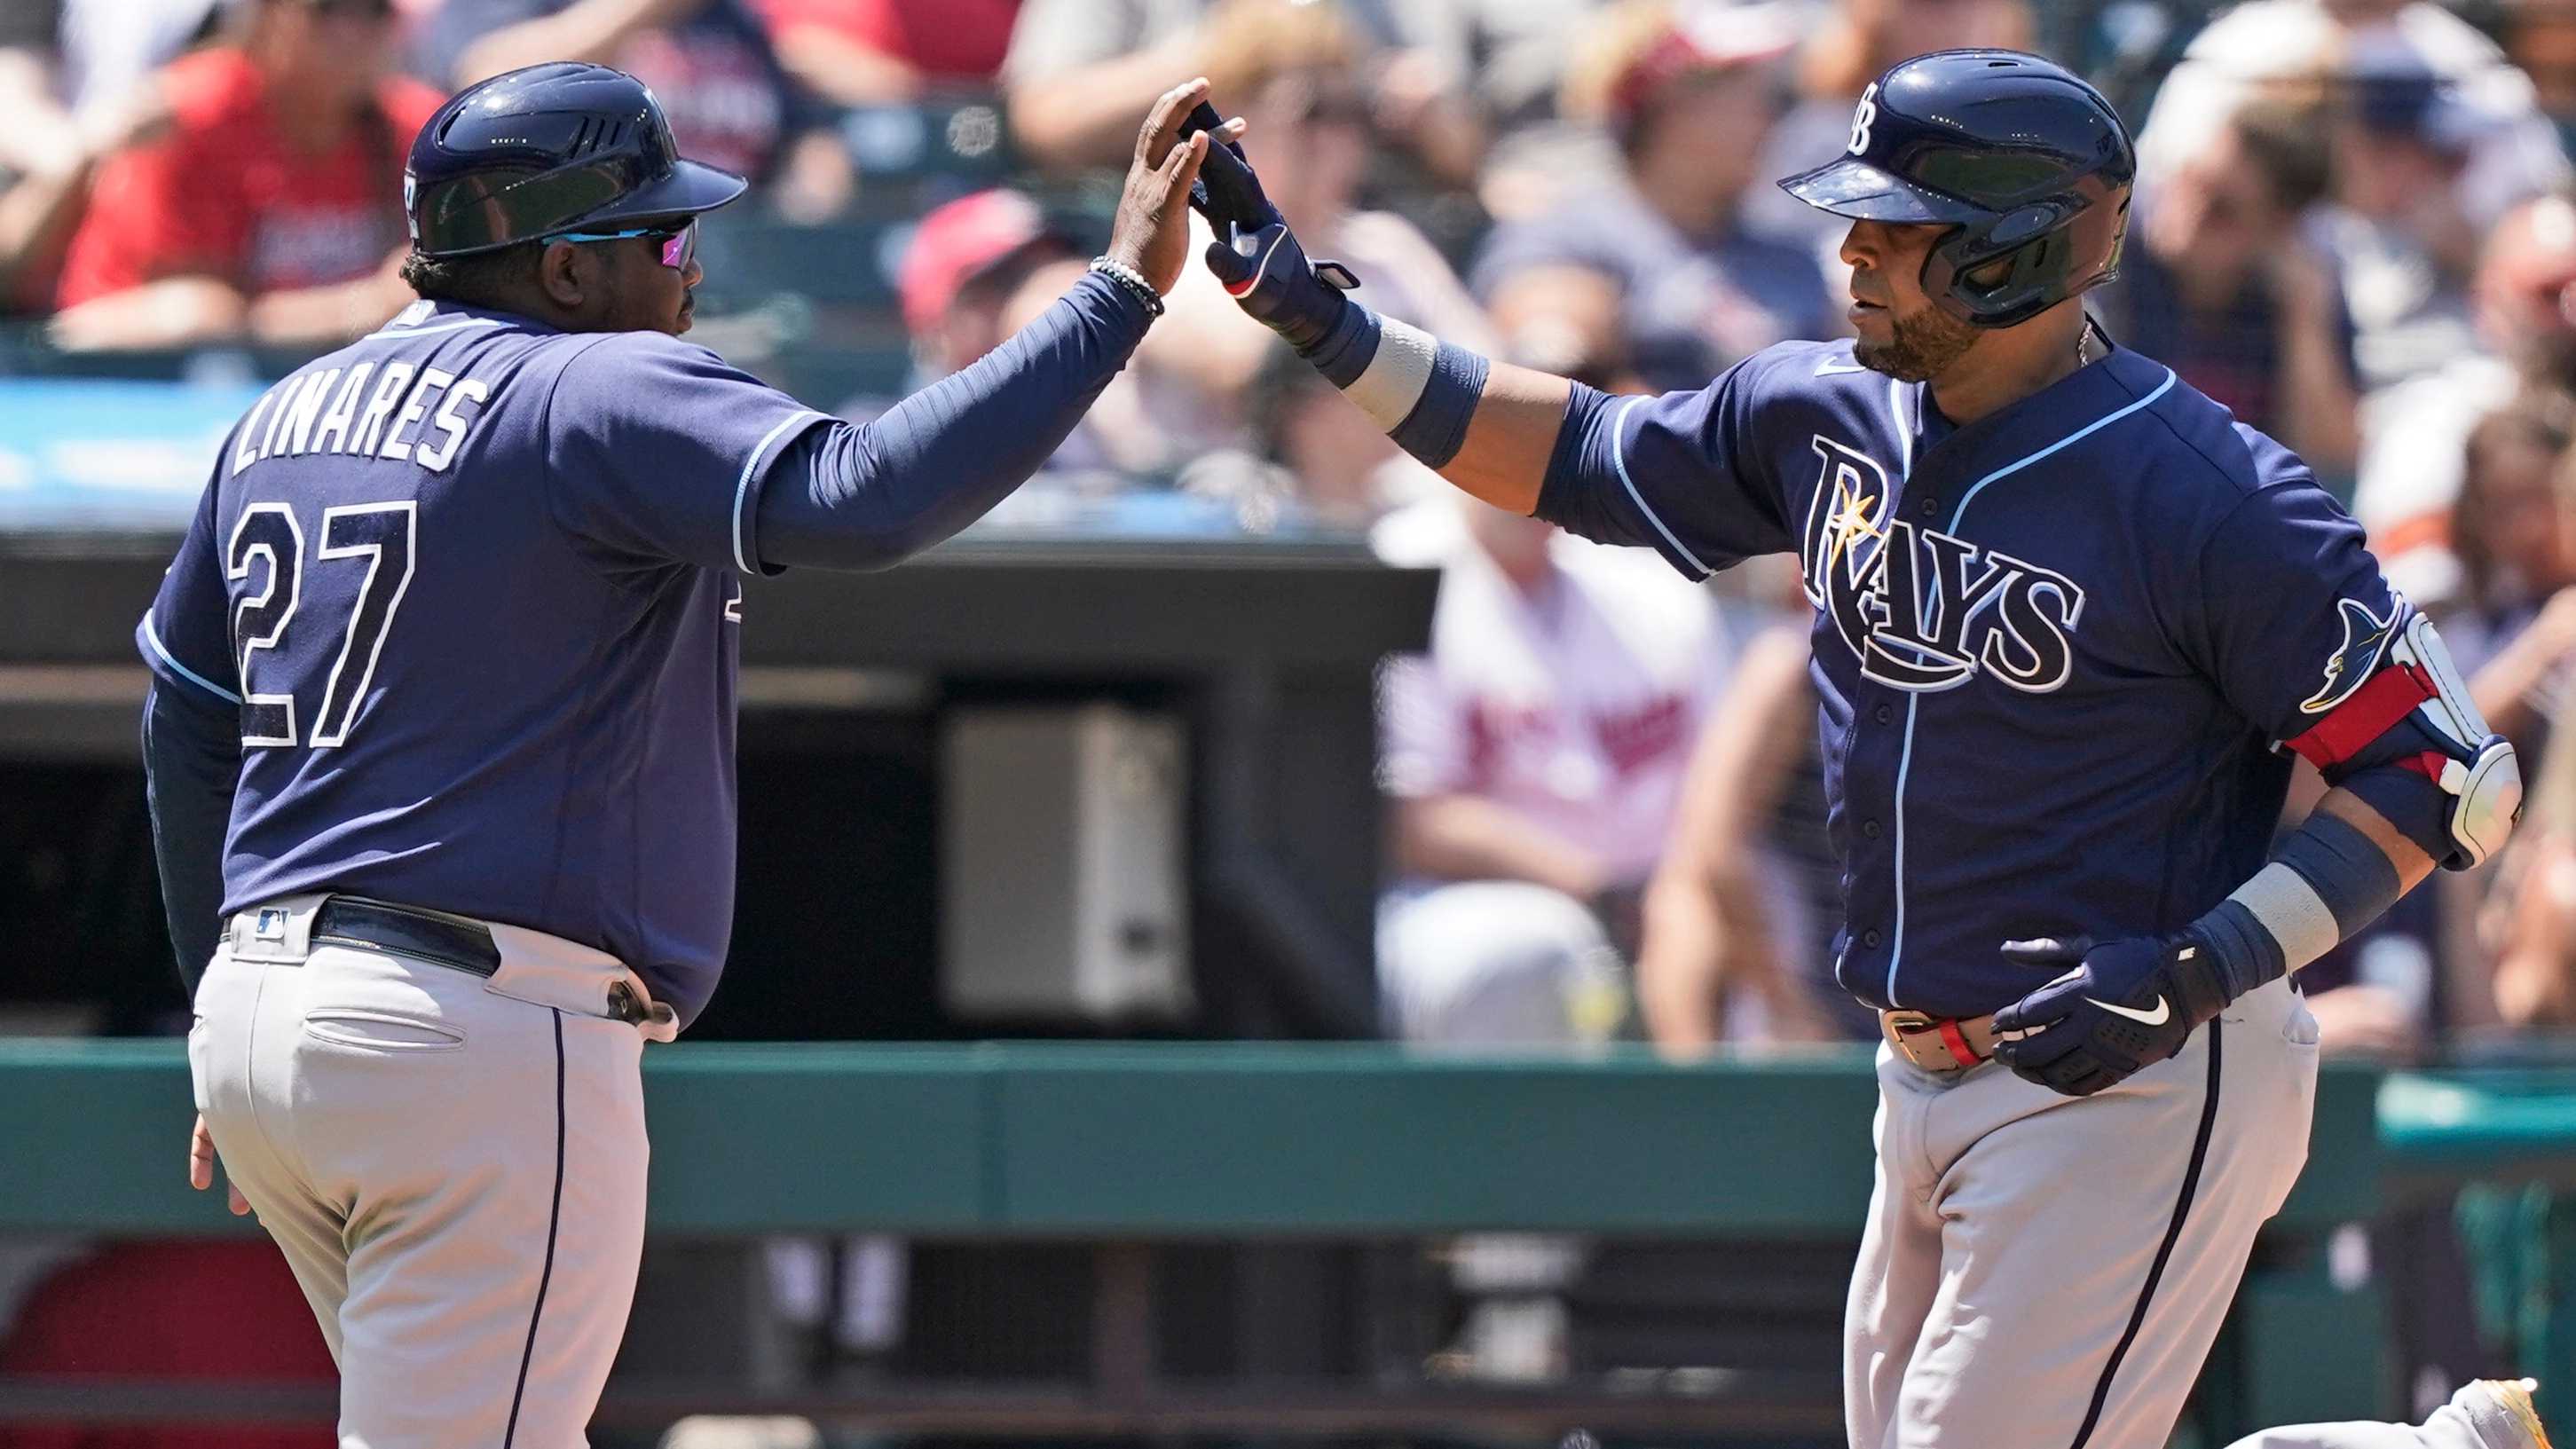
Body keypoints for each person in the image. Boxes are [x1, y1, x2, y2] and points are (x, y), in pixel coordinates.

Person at [1200, 47, 2541, 1449]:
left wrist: (2206, 962)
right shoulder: (1824, 408)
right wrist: (1321, 322)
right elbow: (1579, 457)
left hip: (2141, 1067)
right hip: (1920, 1068)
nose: (1846, 253)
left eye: (1891, 231)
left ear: (2010, 251)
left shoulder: (2209, 493)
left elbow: (2446, 773)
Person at [149, 61, 1221, 1443]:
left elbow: (186, 706)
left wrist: (207, 998)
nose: (692, 268)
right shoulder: (592, 385)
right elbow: (864, 496)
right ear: (565, 273)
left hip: (264, 1020)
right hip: (471, 1030)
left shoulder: (283, 415)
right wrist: (1117, 292)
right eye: (663, 237)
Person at [1371, 492, 1731, 1043]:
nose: (1515, 485)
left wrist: (1681, 892)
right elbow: (1415, 822)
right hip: (1467, 897)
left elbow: (1725, 783)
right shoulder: (1402, 567)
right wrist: (1606, 891)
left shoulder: (1652, 584)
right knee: (1525, 950)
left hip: (1669, 890)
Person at [1469, 0, 1835, 394]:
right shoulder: (1567, 238)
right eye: (1742, 93)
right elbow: (1552, 373)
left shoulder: (1789, 258)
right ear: (1667, 105)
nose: (1769, 117)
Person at [49, 0, 441, 352]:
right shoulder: (192, 117)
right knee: (193, 315)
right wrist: (370, 303)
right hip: (123, 364)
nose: (354, 31)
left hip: (320, 368)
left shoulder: (419, 128)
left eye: (375, 10)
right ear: (268, 14)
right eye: (329, 9)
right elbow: (218, 310)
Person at [2099, 99, 2359, 476]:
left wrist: (2303, 319)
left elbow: (2334, 450)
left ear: (2275, 231)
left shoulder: (2296, 290)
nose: (2188, 214)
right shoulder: (2111, 246)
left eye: (2222, 209)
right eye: (2191, 180)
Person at [2357, 195, 2576, 606]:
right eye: (2550, 292)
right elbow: (2407, 598)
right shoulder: (2438, 420)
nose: (2572, 312)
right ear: (2489, 302)